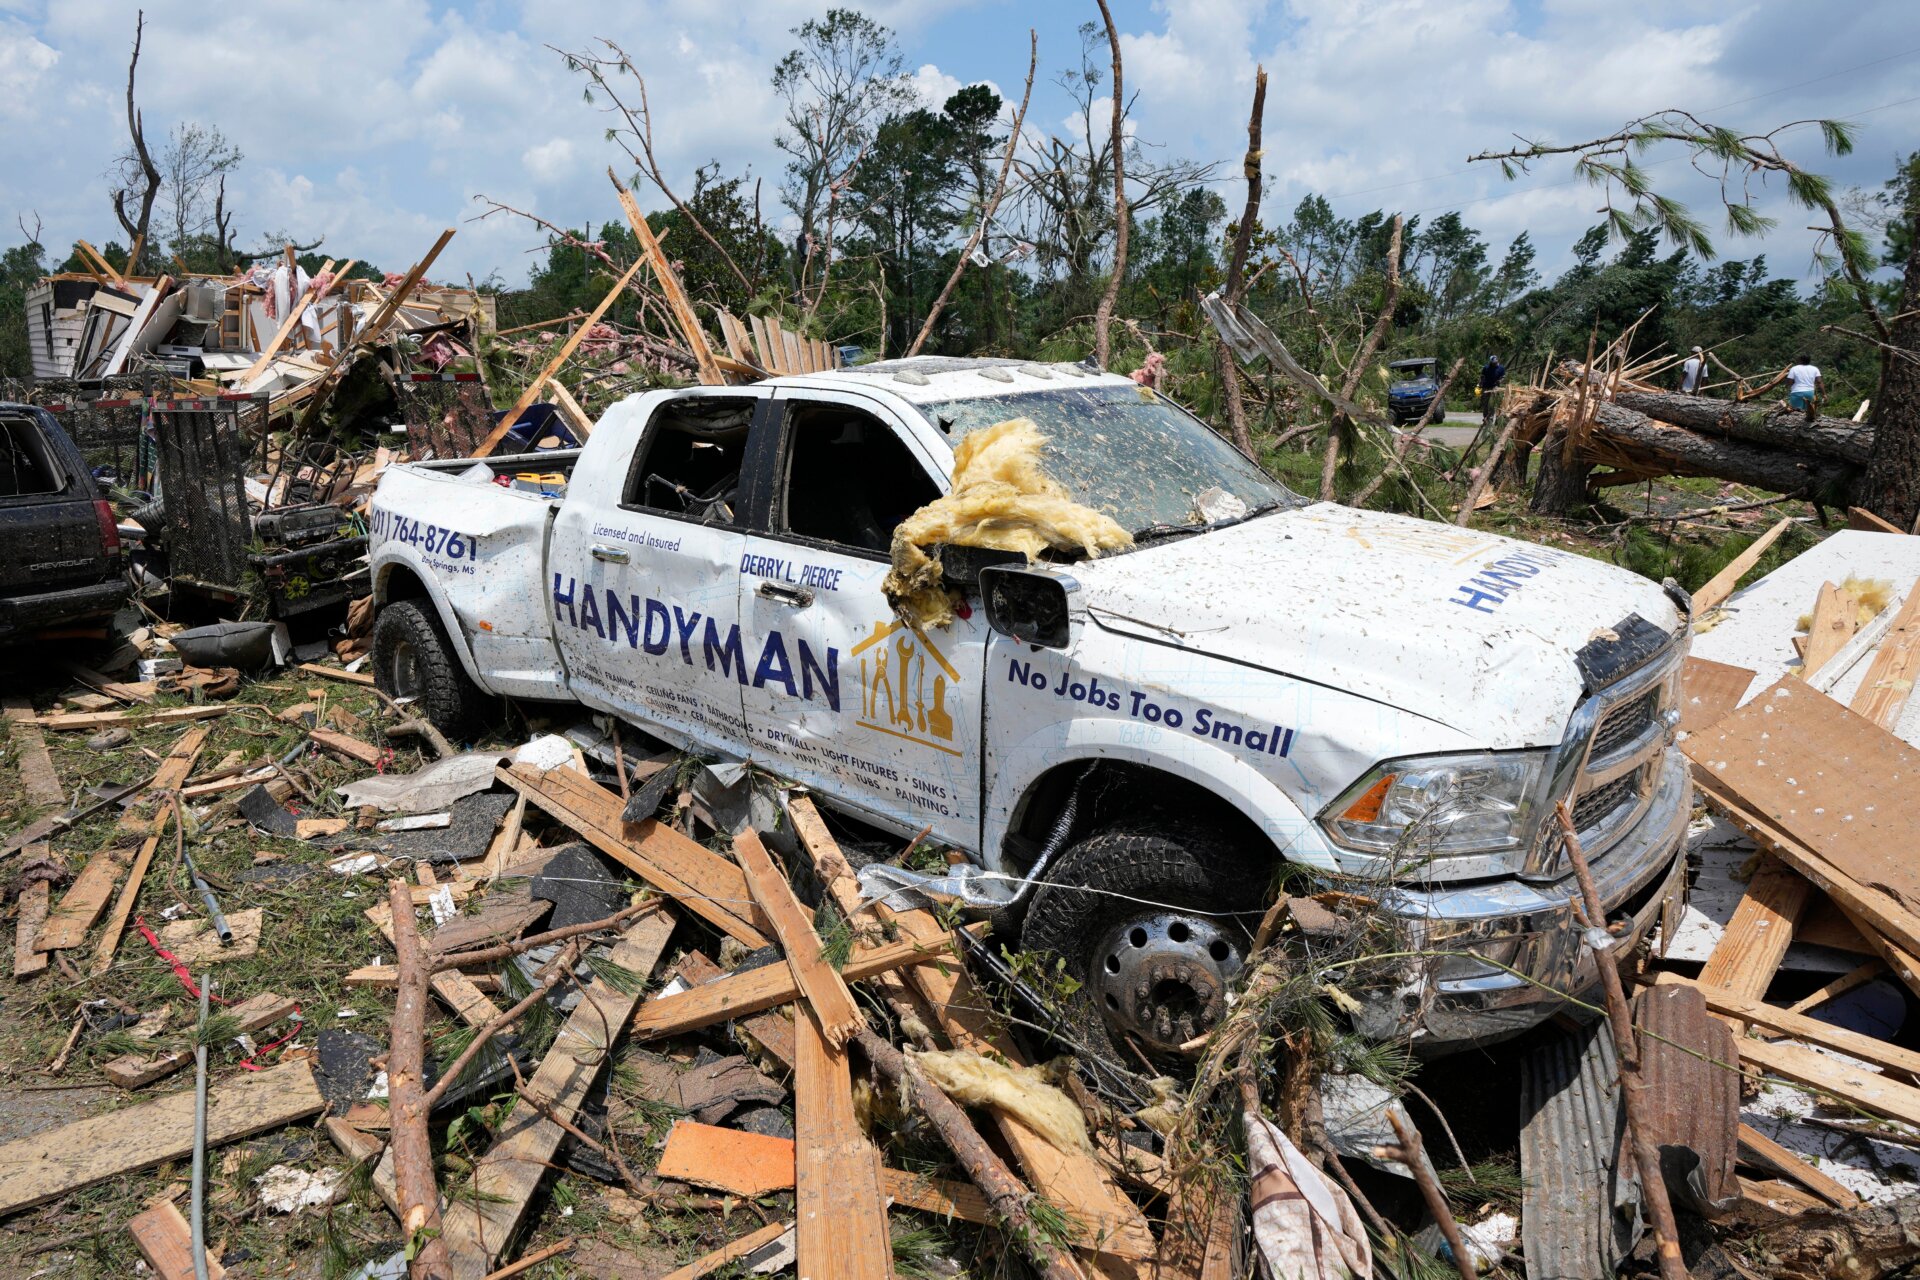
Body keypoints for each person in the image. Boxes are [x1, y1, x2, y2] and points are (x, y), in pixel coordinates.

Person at [1478, 354, 1506, 428]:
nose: (1493, 364)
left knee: (1492, 404)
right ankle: (1485, 418)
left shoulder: (1501, 368)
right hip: (1486, 387)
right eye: (1492, 363)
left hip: (1495, 388)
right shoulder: (1486, 367)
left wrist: (1500, 381)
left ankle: (1490, 419)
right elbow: (1482, 376)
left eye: (1495, 363)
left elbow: (1503, 377)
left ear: (1497, 361)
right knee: (1485, 404)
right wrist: (1480, 384)